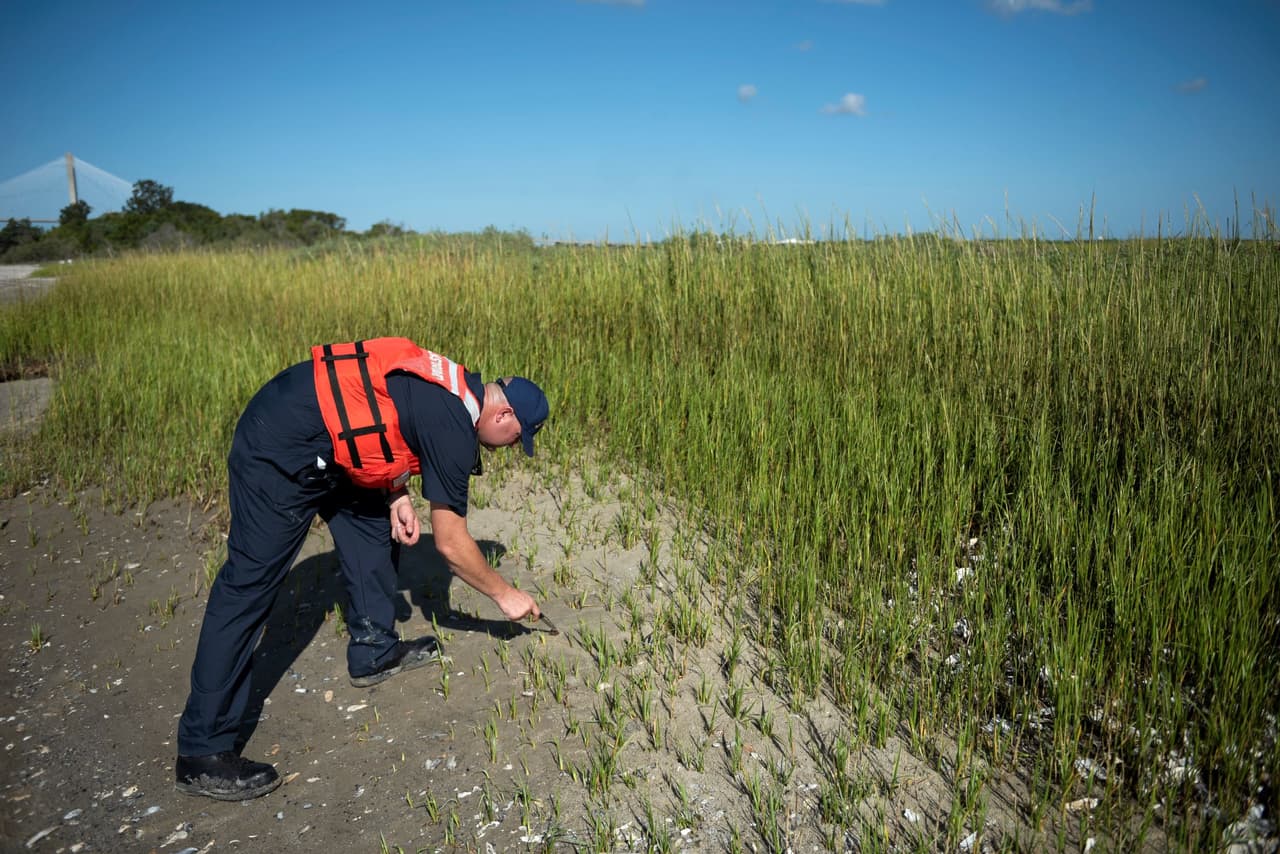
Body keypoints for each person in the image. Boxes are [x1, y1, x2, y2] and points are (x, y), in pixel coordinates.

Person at [174, 337, 549, 801]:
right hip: (279, 443)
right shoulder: (455, 425)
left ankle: (374, 649)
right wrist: (505, 595)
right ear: (502, 416)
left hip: (324, 442)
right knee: (247, 585)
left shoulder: (455, 386)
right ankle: (202, 751)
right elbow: (452, 545)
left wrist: (396, 493)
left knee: (371, 517)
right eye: (515, 440)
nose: (508, 449)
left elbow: (376, 412)